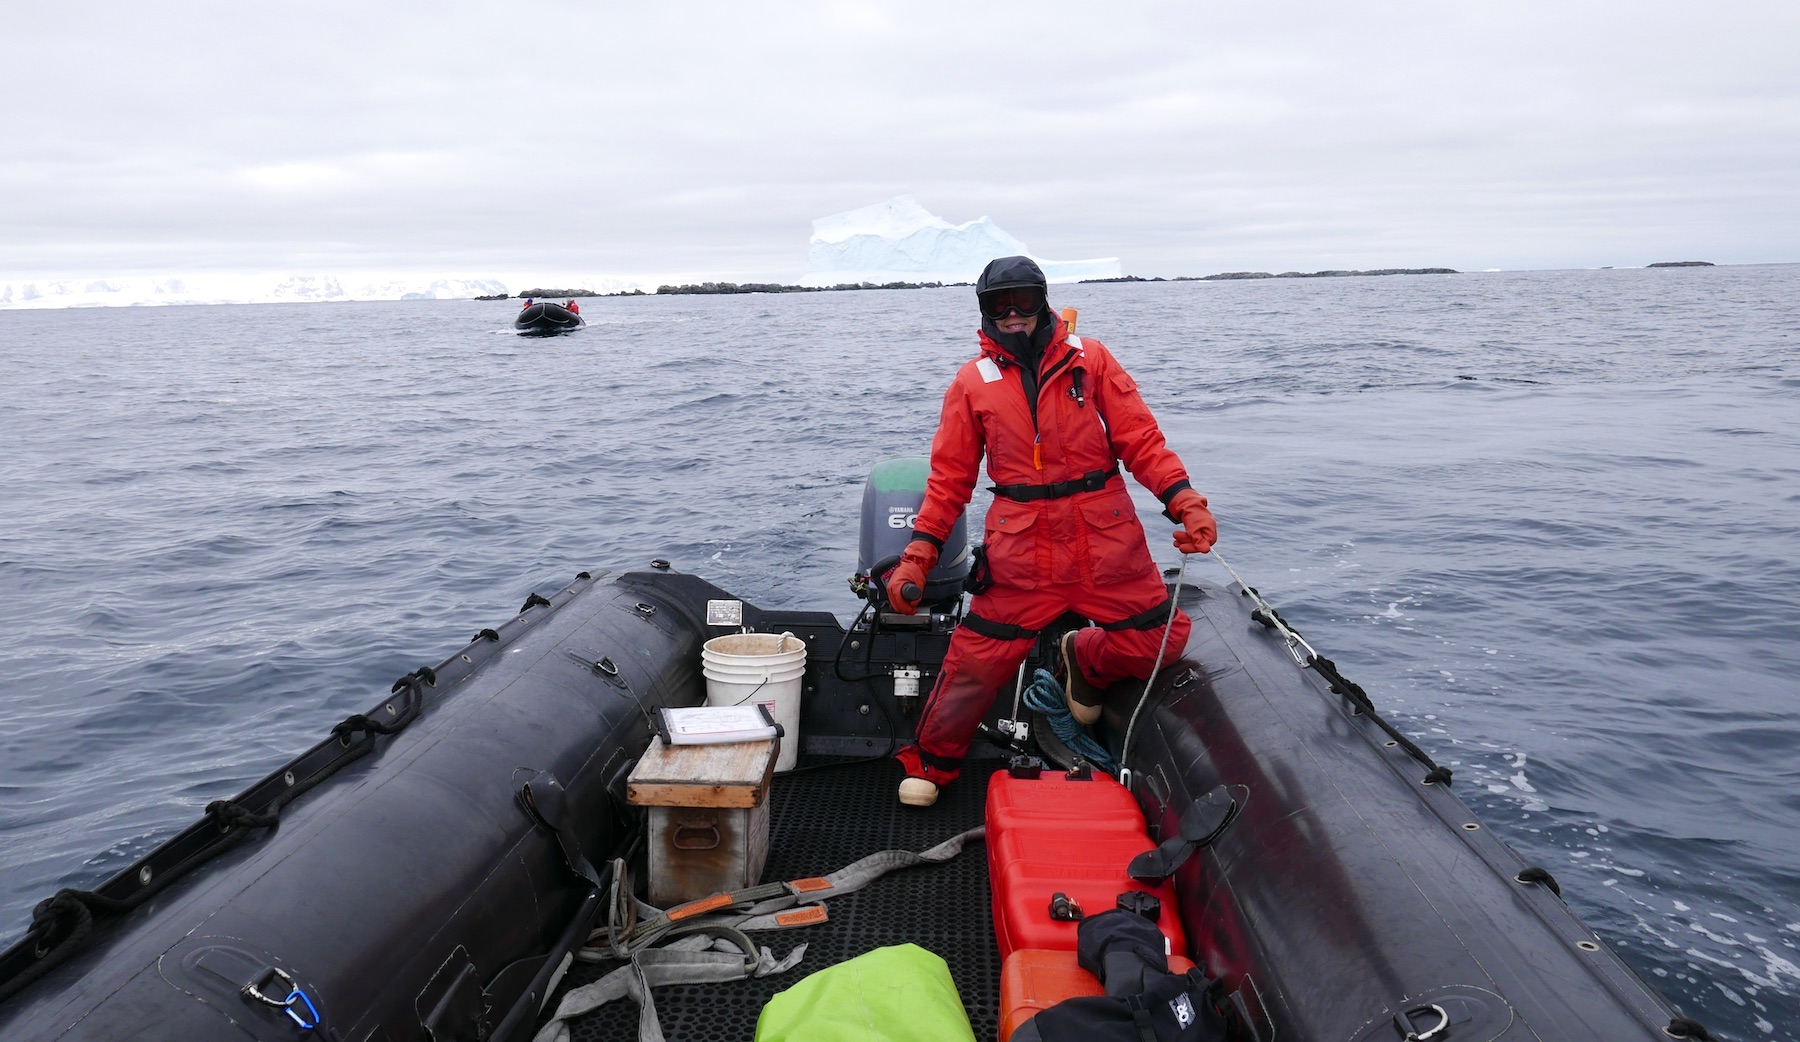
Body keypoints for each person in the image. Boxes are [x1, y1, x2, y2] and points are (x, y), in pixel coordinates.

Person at [885, 256, 1217, 807]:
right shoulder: (972, 383)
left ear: (1041, 302)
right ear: (986, 311)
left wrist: (1184, 500)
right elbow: (950, 480)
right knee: (974, 664)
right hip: (1022, 555)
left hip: (1106, 544)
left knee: (1159, 642)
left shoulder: (1093, 360)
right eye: (999, 305)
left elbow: (1140, 439)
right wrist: (918, 554)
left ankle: (1082, 657)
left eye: (1022, 302)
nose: (1012, 315)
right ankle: (932, 763)